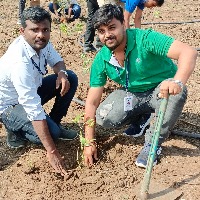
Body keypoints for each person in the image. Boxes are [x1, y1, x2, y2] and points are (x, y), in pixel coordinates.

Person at [83, 4, 197, 169]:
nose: (107, 35)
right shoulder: (102, 58)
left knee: (176, 95)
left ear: (123, 24)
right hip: (133, 93)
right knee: (104, 116)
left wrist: (177, 81)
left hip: (162, 89)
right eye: (101, 31)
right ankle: (144, 117)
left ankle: (153, 144)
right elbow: (91, 103)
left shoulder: (144, 39)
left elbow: (188, 52)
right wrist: (88, 141)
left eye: (111, 28)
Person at [0, 7, 78, 176]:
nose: (40, 35)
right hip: (10, 105)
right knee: (51, 135)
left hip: (32, 90)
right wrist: (51, 151)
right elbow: (33, 108)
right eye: (34, 30)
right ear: (22, 31)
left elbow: (57, 61)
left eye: (45, 30)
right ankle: (15, 131)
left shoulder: (42, 44)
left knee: (70, 77)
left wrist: (62, 74)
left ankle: (54, 123)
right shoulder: (19, 63)